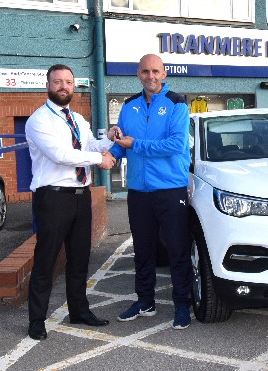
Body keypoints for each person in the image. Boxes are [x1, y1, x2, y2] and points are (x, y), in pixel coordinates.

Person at [25, 64, 119, 340]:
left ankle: (79, 311)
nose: (64, 86)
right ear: (48, 86)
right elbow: (61, 154)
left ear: (73, 86)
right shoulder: (39, 120)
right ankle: (36, 321)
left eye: (68, 82)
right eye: (58, 82)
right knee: (46, 260)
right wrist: (98, 160)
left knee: (79, 258)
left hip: (81, 195)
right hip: (53, 198)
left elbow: (89, 146)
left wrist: (109, 142)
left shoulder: (78, 118)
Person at [108, 54, 193, 329]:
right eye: (145, 71)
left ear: (164, 74)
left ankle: (182, 305)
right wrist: (111, 151)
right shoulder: (129, 106)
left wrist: (135, 144)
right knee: (143, 250)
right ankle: (145, 301)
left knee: (177, 250)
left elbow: (176, 145)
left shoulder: (177, 104)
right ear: (138, 74)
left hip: (170, 189)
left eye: (156, 71)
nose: (151, 76)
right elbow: (122, 145)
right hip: (139, 191)